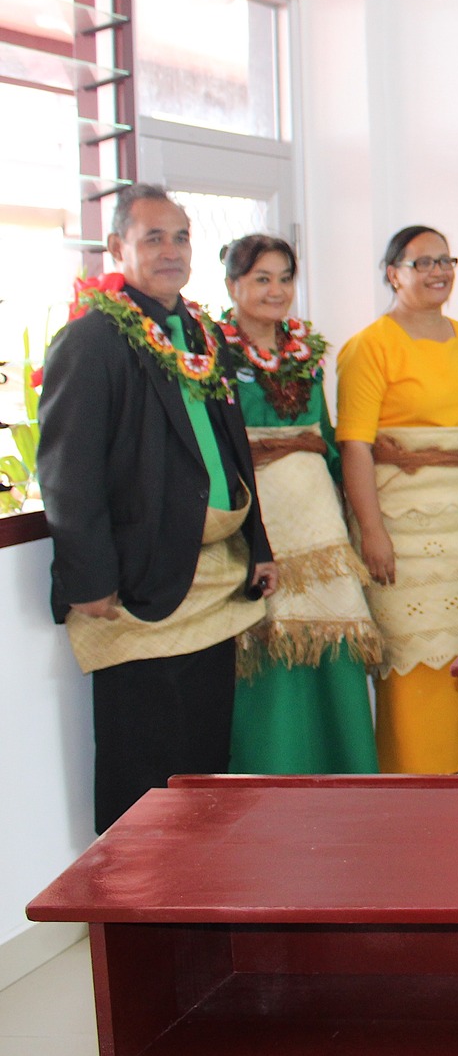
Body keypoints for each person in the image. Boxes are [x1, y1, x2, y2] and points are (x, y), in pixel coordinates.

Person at [40, 184, 278, 830]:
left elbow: (233, 452)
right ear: (118, 247)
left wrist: (258, 546)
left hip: (213, 579)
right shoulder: (91, 339)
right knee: (143, 768)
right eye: (153, 237)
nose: (170, 250)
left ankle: (202, 901)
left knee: (204, 758)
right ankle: (137, 912)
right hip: (140, 583)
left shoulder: (201, 334)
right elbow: (67, 470)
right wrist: (90, 579)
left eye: (180, 236)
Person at [336, 225, 458, 773]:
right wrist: (372, 533)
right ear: (394, 273)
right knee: (415, 661)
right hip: (403, 530)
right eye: (423, 263)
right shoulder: (370, 347)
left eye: (446, 260)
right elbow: (355, 447)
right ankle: (419, 774)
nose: (439, 272)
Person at [217, 234, 380, 774]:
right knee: (271, 642)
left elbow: (327, 435)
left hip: (317, 522)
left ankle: (345, 767)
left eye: (285, 278)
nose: (276, 290)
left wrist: (353, 514)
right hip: (258, 522)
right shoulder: (213, 353)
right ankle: (274, 770)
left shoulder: (306, 352)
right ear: (232, 284)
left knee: (333, 637)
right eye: (262, 278)